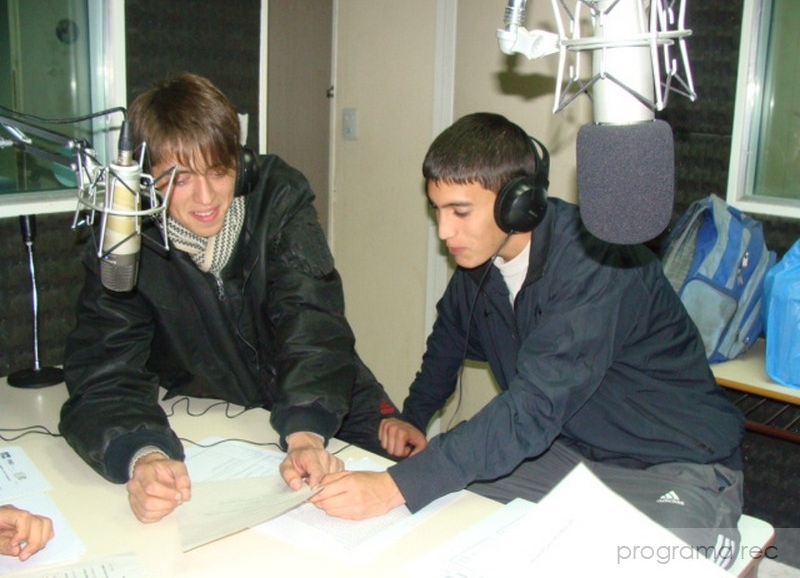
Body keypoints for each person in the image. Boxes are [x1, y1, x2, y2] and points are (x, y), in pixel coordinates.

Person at [310, 112, 746, 569]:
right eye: (437, 209)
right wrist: (414, 417)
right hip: (572, 450)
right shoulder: (478, 263)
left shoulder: (598, 264)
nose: (444, 231)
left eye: (460, 212)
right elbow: (448, 342)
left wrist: (394, 485)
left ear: (517, 204)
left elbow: (533, 408)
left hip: (673, 462)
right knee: (441, 500)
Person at [59, 73, 397, 523]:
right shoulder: (125, 235)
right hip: (227, 423)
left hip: (326, 401)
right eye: (180, 180)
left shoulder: (278, 197)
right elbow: (105, 369)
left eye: (219, 172)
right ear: (144, 181)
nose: (206, 197)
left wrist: (305, 432)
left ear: (241, 165)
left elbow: (312, 322)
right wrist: (143, 454)